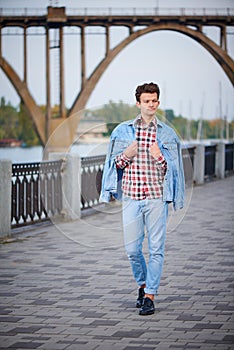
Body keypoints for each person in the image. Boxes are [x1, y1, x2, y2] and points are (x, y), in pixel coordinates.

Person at [100, 82, 185, 316]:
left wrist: (160, 158)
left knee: (156, 250)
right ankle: (142, 285)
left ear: (158, 102)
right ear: (138, 103)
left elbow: (174, 171)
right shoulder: (122, 131)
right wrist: (126, 155)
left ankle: (150, 296)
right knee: (132, 250)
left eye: (154, 100)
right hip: (131, 198)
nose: (151, 104)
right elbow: (112, 166)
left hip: (157, 197)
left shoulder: (167, 134)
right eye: (147, 101)